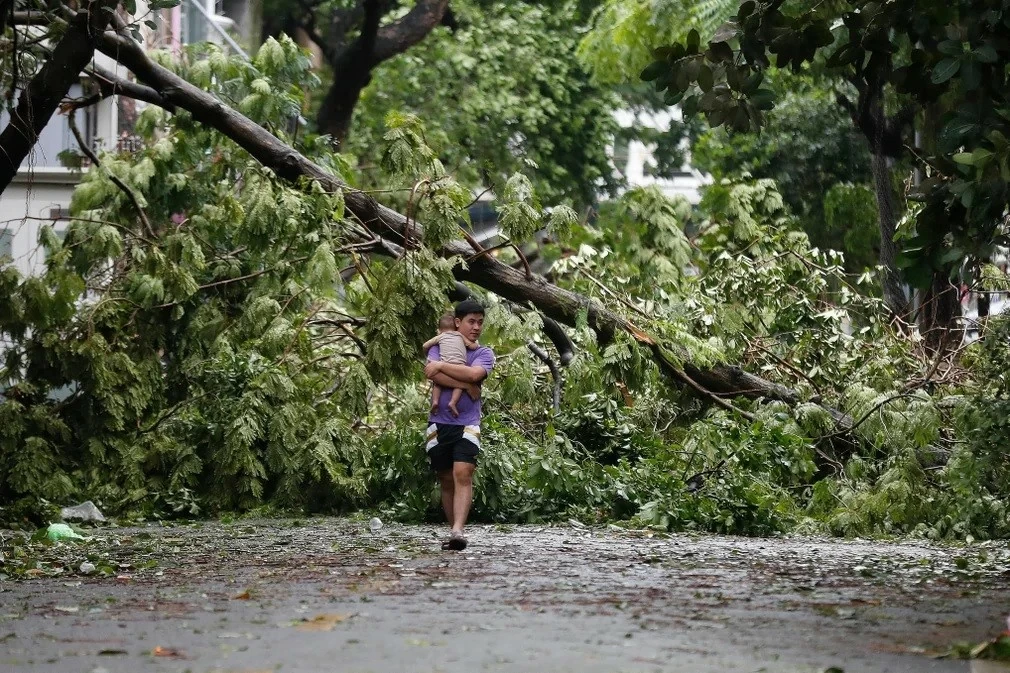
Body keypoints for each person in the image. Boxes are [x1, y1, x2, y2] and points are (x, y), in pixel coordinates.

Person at [423, 299, 495, 551]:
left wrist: (444, 366)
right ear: (457, 322)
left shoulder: (484, 353)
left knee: (463, 473)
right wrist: (465, 384)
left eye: (480, 323)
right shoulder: (440, 343)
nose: (476, 327)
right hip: (439, 423)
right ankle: (453, 533)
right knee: (445, 478)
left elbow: (475, 374)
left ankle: (458, 530)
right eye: (471, 322)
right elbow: (431, 373)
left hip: (468, 423)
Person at [421, 312, 479, 418]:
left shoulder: (440, 337)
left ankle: (435, 401)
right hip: (459, 365)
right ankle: (452, 402)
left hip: (444, 363)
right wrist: (476, 344)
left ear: (439, 330)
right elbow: (472, 346)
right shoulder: (459, 335)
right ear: (456, 327)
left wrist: (426, 352)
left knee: (438, 384)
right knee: (460, 385)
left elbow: (425, 345)